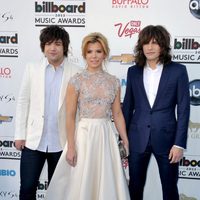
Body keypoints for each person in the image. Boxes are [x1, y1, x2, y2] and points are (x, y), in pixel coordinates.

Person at [45, 32, 130, 200]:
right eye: (90, 51)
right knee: (80, 181)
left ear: (104, 54)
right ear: (84, 54)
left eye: (98, 51)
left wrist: (125, 139)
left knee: (106, 180)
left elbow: (118, 113)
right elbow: (69, 116)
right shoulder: (76, 80)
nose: (94, 56)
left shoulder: (113, 81)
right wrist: (70, 146)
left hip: (106, 135)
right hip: (84, 136)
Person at [122, 25, 190, 200]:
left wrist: (179, 144)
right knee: (135, 187)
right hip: (137, 138)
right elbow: (128, 107)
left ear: (163, 46)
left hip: (167, 140)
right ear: (141, 46)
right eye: (146, 43)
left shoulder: (178, 71)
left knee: (169, 187)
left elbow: (183, 109)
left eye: (154, 43)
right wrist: (123, 139)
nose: (149, 47)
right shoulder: (133, 71)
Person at [14, 25, 81, 200]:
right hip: (33, 141)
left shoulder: (76, 72)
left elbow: (78, 111)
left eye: (57, 44)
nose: (53, 48)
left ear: (64, 47)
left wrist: (75, 142)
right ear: (43, 47)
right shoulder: (32, 68)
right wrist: (20, 134)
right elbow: (23, 102)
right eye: (49, 43)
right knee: (27, 188)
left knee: (59, 192)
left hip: (62, 143)